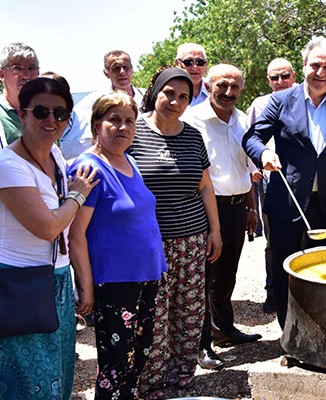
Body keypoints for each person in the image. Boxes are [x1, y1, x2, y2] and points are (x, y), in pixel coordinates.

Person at [242, 36, 326, 330]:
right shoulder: (282, 100)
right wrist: (265, 153)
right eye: (315, 65)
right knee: (285, 270)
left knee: (320, 269)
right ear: (304, 66)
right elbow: (252, 138)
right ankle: (289, 334)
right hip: (286, 203)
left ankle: (317, 330)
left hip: (324, 206)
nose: (320, 72)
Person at [0, 78, 97, 399]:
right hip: (20, 285)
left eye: (61, 113)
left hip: (55, 281)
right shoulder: (8, 165)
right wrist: (78, 195)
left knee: (59, 377)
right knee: (28, 385)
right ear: (22, 114)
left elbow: (66, 231)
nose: (51, 120)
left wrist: (81, 281)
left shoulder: (55, 154)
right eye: (40, 111)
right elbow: (48, 227)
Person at [67, 92, 166, 399]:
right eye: (114, 119)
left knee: (140, 356)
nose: (123, 127)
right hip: (115, 281)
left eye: (129, 121)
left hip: (148, 274)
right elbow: (75, 235)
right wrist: (86, 287)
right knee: (115, 363)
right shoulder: (88, 168)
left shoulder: (130, 160)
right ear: (97, 124)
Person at [130, 67, 222, 398]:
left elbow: (205, 186)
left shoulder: (192, 135)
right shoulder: (133, 132)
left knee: (189, 313)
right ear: (155, 92)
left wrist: (215, 230)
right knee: (153, 318)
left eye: (184, 96)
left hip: (193, 240)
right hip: (150, 245)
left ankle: (181, 380)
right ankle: (150, 384)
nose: (176, 101)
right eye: (169, 93)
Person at [183, 64, 262, 370]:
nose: (228, 92)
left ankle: (224, 329)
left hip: (237, 206)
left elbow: (245, 169)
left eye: (235, 87)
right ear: (209, 86)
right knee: (203, 278)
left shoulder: (242, 120)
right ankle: (201, 346)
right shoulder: (193, 121)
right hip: (206, 209)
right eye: (222, 86)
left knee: (227, 274)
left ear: (242, 89)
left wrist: (251, 208)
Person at [246, 57, 298, 314]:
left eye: (284, 76)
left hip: (300, 180)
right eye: (274, 78)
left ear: (294, 76)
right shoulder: (259, 104)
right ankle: (273, 292)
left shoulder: (305, 100)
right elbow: (250, 140)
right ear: (268, 80)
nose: (280, 82)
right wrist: (255, 167)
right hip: (270, 181)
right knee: (273, 240)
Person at [62, 50, 145, 160]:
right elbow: (73, 138)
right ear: (106, 73)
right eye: (116, 68)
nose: (122, 72)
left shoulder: (147, 98)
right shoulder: (94, 102)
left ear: (132, 69)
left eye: (126, 67)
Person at [0, 42, 40, 147]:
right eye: (17, 68)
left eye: (31, 68)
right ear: (1, 74)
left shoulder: (47, 112)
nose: (26, 76)